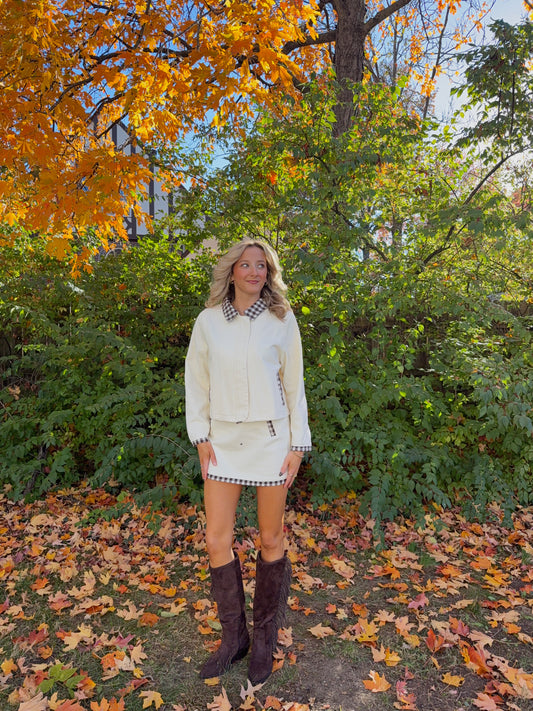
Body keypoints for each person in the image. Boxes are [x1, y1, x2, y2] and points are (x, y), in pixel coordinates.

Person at [185, 238, 312, 684]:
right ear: (232, 271)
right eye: (246, 264)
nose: (254, 272)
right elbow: (196, 381)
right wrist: (200, 436)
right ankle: (234, 638)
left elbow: (294, 385)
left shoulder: (282, 320)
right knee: (216, 540)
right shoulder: (208, 322)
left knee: (271, 537)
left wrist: (298, 445)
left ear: (268, 273)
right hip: (223, 441)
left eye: (262, 265)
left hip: (271, 442)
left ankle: (263, 639)